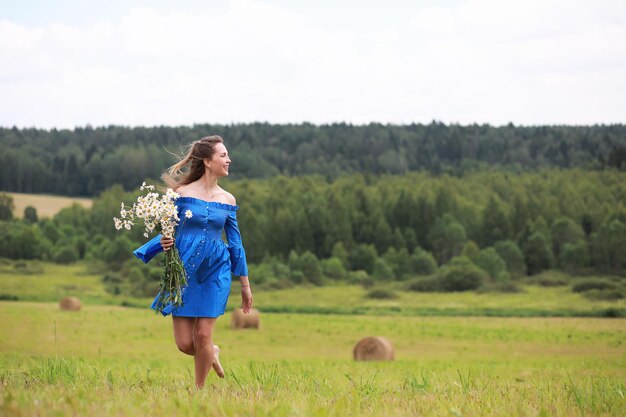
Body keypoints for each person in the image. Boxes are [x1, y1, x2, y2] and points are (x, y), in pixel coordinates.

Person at [133, 135, 253, 389]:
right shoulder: (180, 194)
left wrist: (244, 284)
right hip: (184, 270)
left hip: (216, 269)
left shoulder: (228, 200)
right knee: (186, 344)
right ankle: (213, 352)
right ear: (208, 161)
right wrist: (160, 244)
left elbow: (235, 243)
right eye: (223, 155)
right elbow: (169, 230)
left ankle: (198, 394)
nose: (228, 159)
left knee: (202, 335)